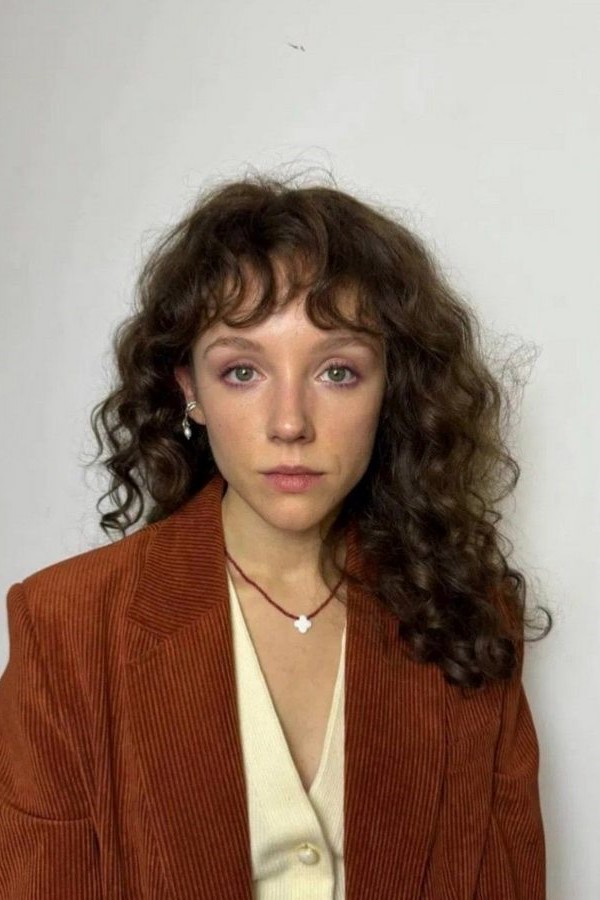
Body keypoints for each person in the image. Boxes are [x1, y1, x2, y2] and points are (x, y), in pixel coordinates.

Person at [0, 173, 551, 899]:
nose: (290, 423)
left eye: (337, 371)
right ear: (190, 390)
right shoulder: (66, 626)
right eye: (242, 371)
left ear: (391, 389)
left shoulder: (471, 617)